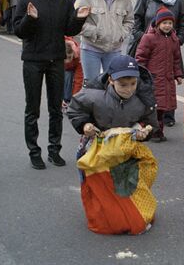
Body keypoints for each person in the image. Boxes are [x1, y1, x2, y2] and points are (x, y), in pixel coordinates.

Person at [66, 55, 159, 235]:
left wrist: (142, 130)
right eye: (123, 85)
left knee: (125, 184)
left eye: (133, 83)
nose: (129, 89)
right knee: (92, 182)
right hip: (95, 146)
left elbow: (151, 122)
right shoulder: (94, 95)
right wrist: (84, 125)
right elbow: (75, 109)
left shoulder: (143, 100)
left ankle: (127, 214)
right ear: (110, 80)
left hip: (125, 149)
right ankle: (99, 210)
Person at [13, 0, 90, 170]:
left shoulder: (64, 0)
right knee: (33, 109)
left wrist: (80, 19)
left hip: (56, 59)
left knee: (56, 108)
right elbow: (18, 30)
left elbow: (69, 29)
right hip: (33, 60)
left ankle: (54, 150)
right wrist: (30, 18)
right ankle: (34, 152)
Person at [129, 0, 184, 127]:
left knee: (168, 81)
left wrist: (178, 41)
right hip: (147, 47)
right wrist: (143, 39)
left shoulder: (178, 0)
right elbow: (135, 22)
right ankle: (145, 114)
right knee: (147, 81)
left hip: (169, 48)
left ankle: (167, 116)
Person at [74, 0, 134, 83]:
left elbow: (129, 20)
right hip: (91, 48)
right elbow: (75, 21)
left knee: (111, 84)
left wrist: (121, 34)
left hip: (114, 49)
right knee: (92, 85)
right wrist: (95, 32)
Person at [135, 6, 184, 142]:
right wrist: (141, 75)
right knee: (154, 107)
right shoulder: (149, 38)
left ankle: (158, 131)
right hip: (153, 79)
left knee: (163, 107)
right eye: (164, 23)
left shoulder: (173, 39)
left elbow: (176, 59)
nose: (167, 26)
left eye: (170, 23)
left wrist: (178, 74)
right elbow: (140, 58)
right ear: (158, 23)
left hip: (167, 79)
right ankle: (153, 132)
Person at [62, 37, 83, 112]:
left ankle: (68, 100)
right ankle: (63, 100)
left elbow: (79, 80)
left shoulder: (78, 57)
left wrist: (74, 99)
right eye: (65, 58)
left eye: (70, 57)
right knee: (65, 75)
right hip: (60, 69)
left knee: (69, 75)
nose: (68, 61)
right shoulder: (55, 55)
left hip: (70, 71)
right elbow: (53, 81)